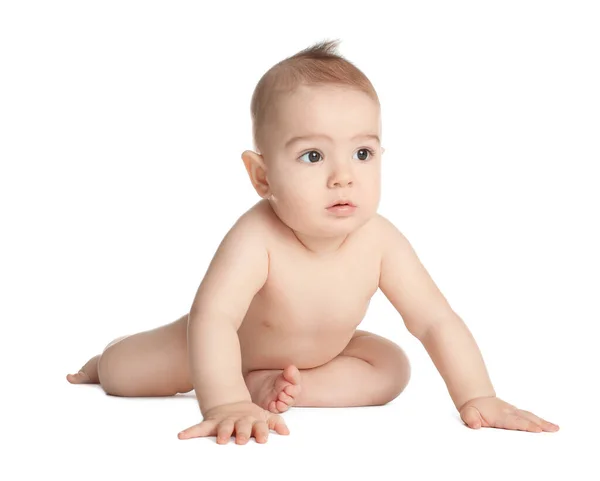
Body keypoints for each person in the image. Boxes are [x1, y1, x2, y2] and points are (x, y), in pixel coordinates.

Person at [67, 39, 559, 444]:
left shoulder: (380, 240)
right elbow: (213, 318)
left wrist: (478, 396)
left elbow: (434, 320)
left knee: (391, 368)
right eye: (312, 157)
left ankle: (281, 390)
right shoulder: (256, 236)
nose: (343, 176)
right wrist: (226, 401)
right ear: (262, 176)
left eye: (363, 152)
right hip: (210, 349)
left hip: (315, 358)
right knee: (124, 375)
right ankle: (105, 363)